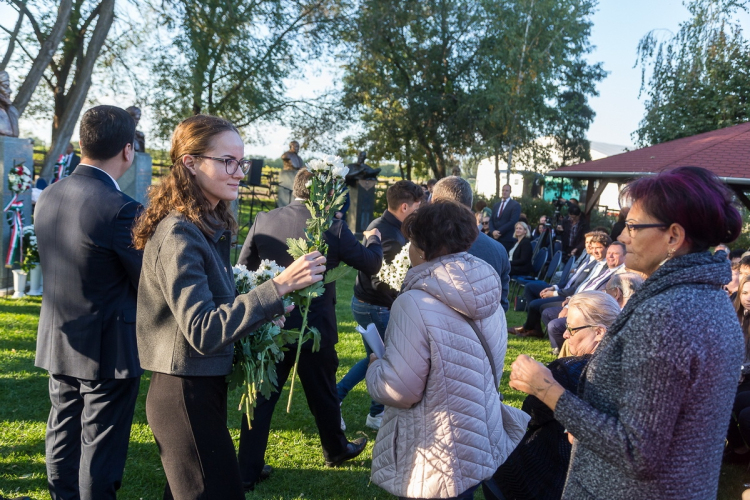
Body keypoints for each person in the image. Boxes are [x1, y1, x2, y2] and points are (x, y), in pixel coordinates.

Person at [509, 166, 744, 500]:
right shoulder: (708, 298)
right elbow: (668, 421)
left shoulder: (667, 314)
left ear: (673, 237)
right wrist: (589, 428)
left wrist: (546, 390)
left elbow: (637, 452)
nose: (621, 236)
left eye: (633, 227)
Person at [132, 115, 327, 499]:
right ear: (190, 163)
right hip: (183, 394)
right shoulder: (180, 232)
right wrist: (279, 285)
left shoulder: (203, 226)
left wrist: (273, 306)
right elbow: (203, 329)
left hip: (199, 388)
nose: (239, 172)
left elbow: (217, 309)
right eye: (227, 162)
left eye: (242, 162)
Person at [366, 201, 526, 500]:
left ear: (422, 249)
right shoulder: (487, 288)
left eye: (410, 243)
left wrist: (376, 365)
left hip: (435, 449)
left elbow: (400, 390)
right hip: (477, 436)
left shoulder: (413, 303)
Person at [237, 168, 383, 488]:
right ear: (327, 195)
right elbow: (372, 263)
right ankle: (335, 449)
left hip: (271, 324)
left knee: (263, 397)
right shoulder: (334, 227)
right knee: (324, 393)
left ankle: (247, 469)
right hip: (314, 329)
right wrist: (373, 239)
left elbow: (244, 268)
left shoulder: (264, 220)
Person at [34, 105, 143, 499]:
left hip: (59, 335)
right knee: (100, 448)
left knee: (62, 430)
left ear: (82, 143)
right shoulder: (123, 209)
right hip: (108, 346)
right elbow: (148, 279)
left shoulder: (47, 195)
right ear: (128, 151)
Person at [485, 291, 621, 500]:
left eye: (572, 329)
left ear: (600, 332)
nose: (565, 335)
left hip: (538, 479)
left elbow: (531, 413)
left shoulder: (568, 371)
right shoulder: (629, 372)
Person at [337, 180, 423, 430]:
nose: (420, 211)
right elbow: (381, 279)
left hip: (370, 304)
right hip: (376, 305)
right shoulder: (389, 235)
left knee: (376, 357)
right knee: (384, 358)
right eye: (418, 207)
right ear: (405, 207)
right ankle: (342, 398)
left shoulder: (386, 226)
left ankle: (371, 410)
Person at [431, 176, 511, 312]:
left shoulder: (427, 244)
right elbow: (501, 305)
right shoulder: (499, 250)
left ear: (436, 202)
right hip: (487, 329)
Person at [511, 232, 612, 337]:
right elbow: (570, 280)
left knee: (536, 304)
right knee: (530, 287)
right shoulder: (587, 260)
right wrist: (554, 287)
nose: (589, 246)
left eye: (593, 244)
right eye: (588, 242)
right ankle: (534, 326)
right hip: (564, 289)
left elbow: (577, 287)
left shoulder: (597, 263)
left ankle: (531, 328)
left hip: (568, 295)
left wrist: (554, 293)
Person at [542, 241, 626, 349]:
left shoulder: (620, 276)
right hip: (577, 300)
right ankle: (565, 347)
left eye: (615, 253)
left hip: (590, 312)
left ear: (625, 256)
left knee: (554, 325)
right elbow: (583, 285)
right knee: (546, 311)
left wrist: (572, 305)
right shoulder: (604, 269)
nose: (610, 256)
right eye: (609, 252)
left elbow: (599, 298)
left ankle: (569, 350)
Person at [724, 275, 750, 463]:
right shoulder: (736, 316)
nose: (748, 297)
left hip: (746, 377)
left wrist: (738, 370)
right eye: (745, 292)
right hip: (736, 374)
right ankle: (738, 448)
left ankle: (741, 449)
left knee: (737, 405)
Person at [489, 183, 522, 252]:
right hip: (494, 238)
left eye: (506, 190)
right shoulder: (496, 205)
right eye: (503, 190)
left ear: (510, 192)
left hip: (507, 239)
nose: (504, 192)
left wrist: (499, 232)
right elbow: (491, 220)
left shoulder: (515, 205)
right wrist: (493, 231)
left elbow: (513, 221)